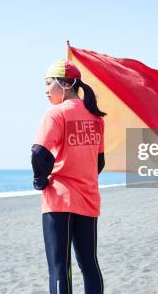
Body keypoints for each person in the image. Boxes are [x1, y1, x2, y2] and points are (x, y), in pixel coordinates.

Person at [31, 59, 106, 294]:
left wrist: (40, 180)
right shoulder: (96, 117)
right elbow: (99, 162)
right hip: (88, 198)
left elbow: (38, 153)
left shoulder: (55, 114)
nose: (45, 90)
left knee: (58, 268)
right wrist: (82, 175)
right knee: (89, 265)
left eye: (48, 83)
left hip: (59, 200)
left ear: (64, 83)